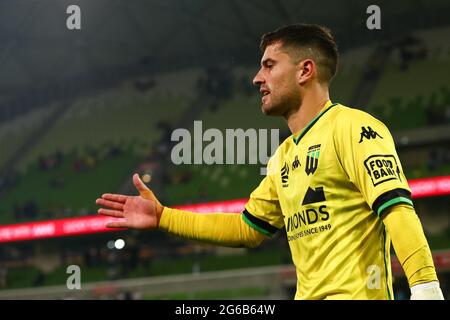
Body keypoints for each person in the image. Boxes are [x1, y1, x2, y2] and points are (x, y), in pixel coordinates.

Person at [96, 24, 443, 300]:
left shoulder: (355, 128)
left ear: (305, 70)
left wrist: (426, 289)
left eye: (269, 65)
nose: (257, 78)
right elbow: (247, 229)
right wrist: (163, 217)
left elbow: (397, 209)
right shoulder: (283, 157)